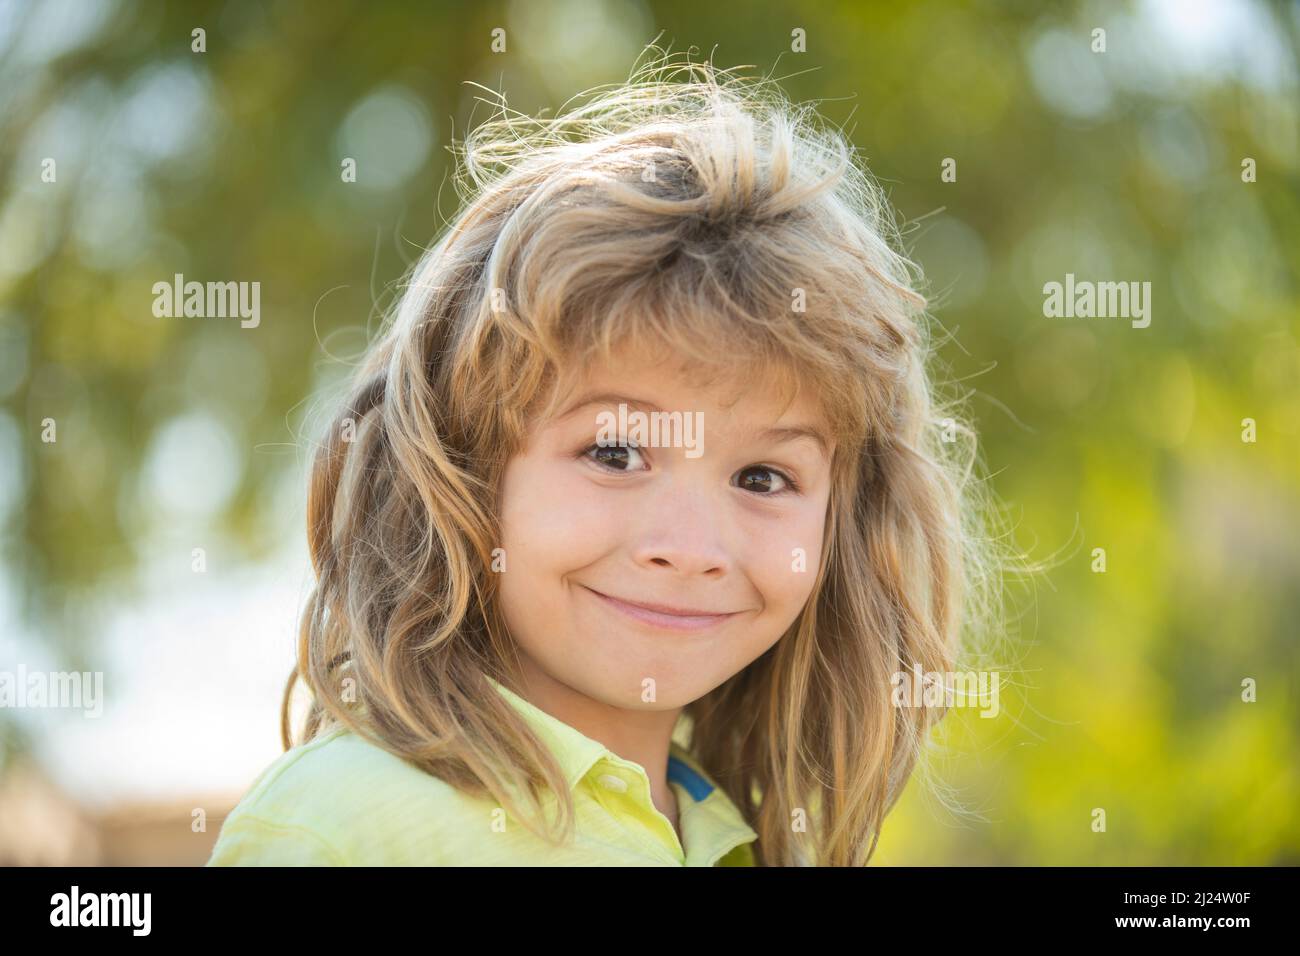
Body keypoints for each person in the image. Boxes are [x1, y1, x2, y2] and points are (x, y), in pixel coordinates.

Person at [207, 47, 998, 867]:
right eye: (615, 453)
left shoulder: (746, 845)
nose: (689, 548)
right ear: (463, 470)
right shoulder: (342, 826)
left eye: (763, 477)